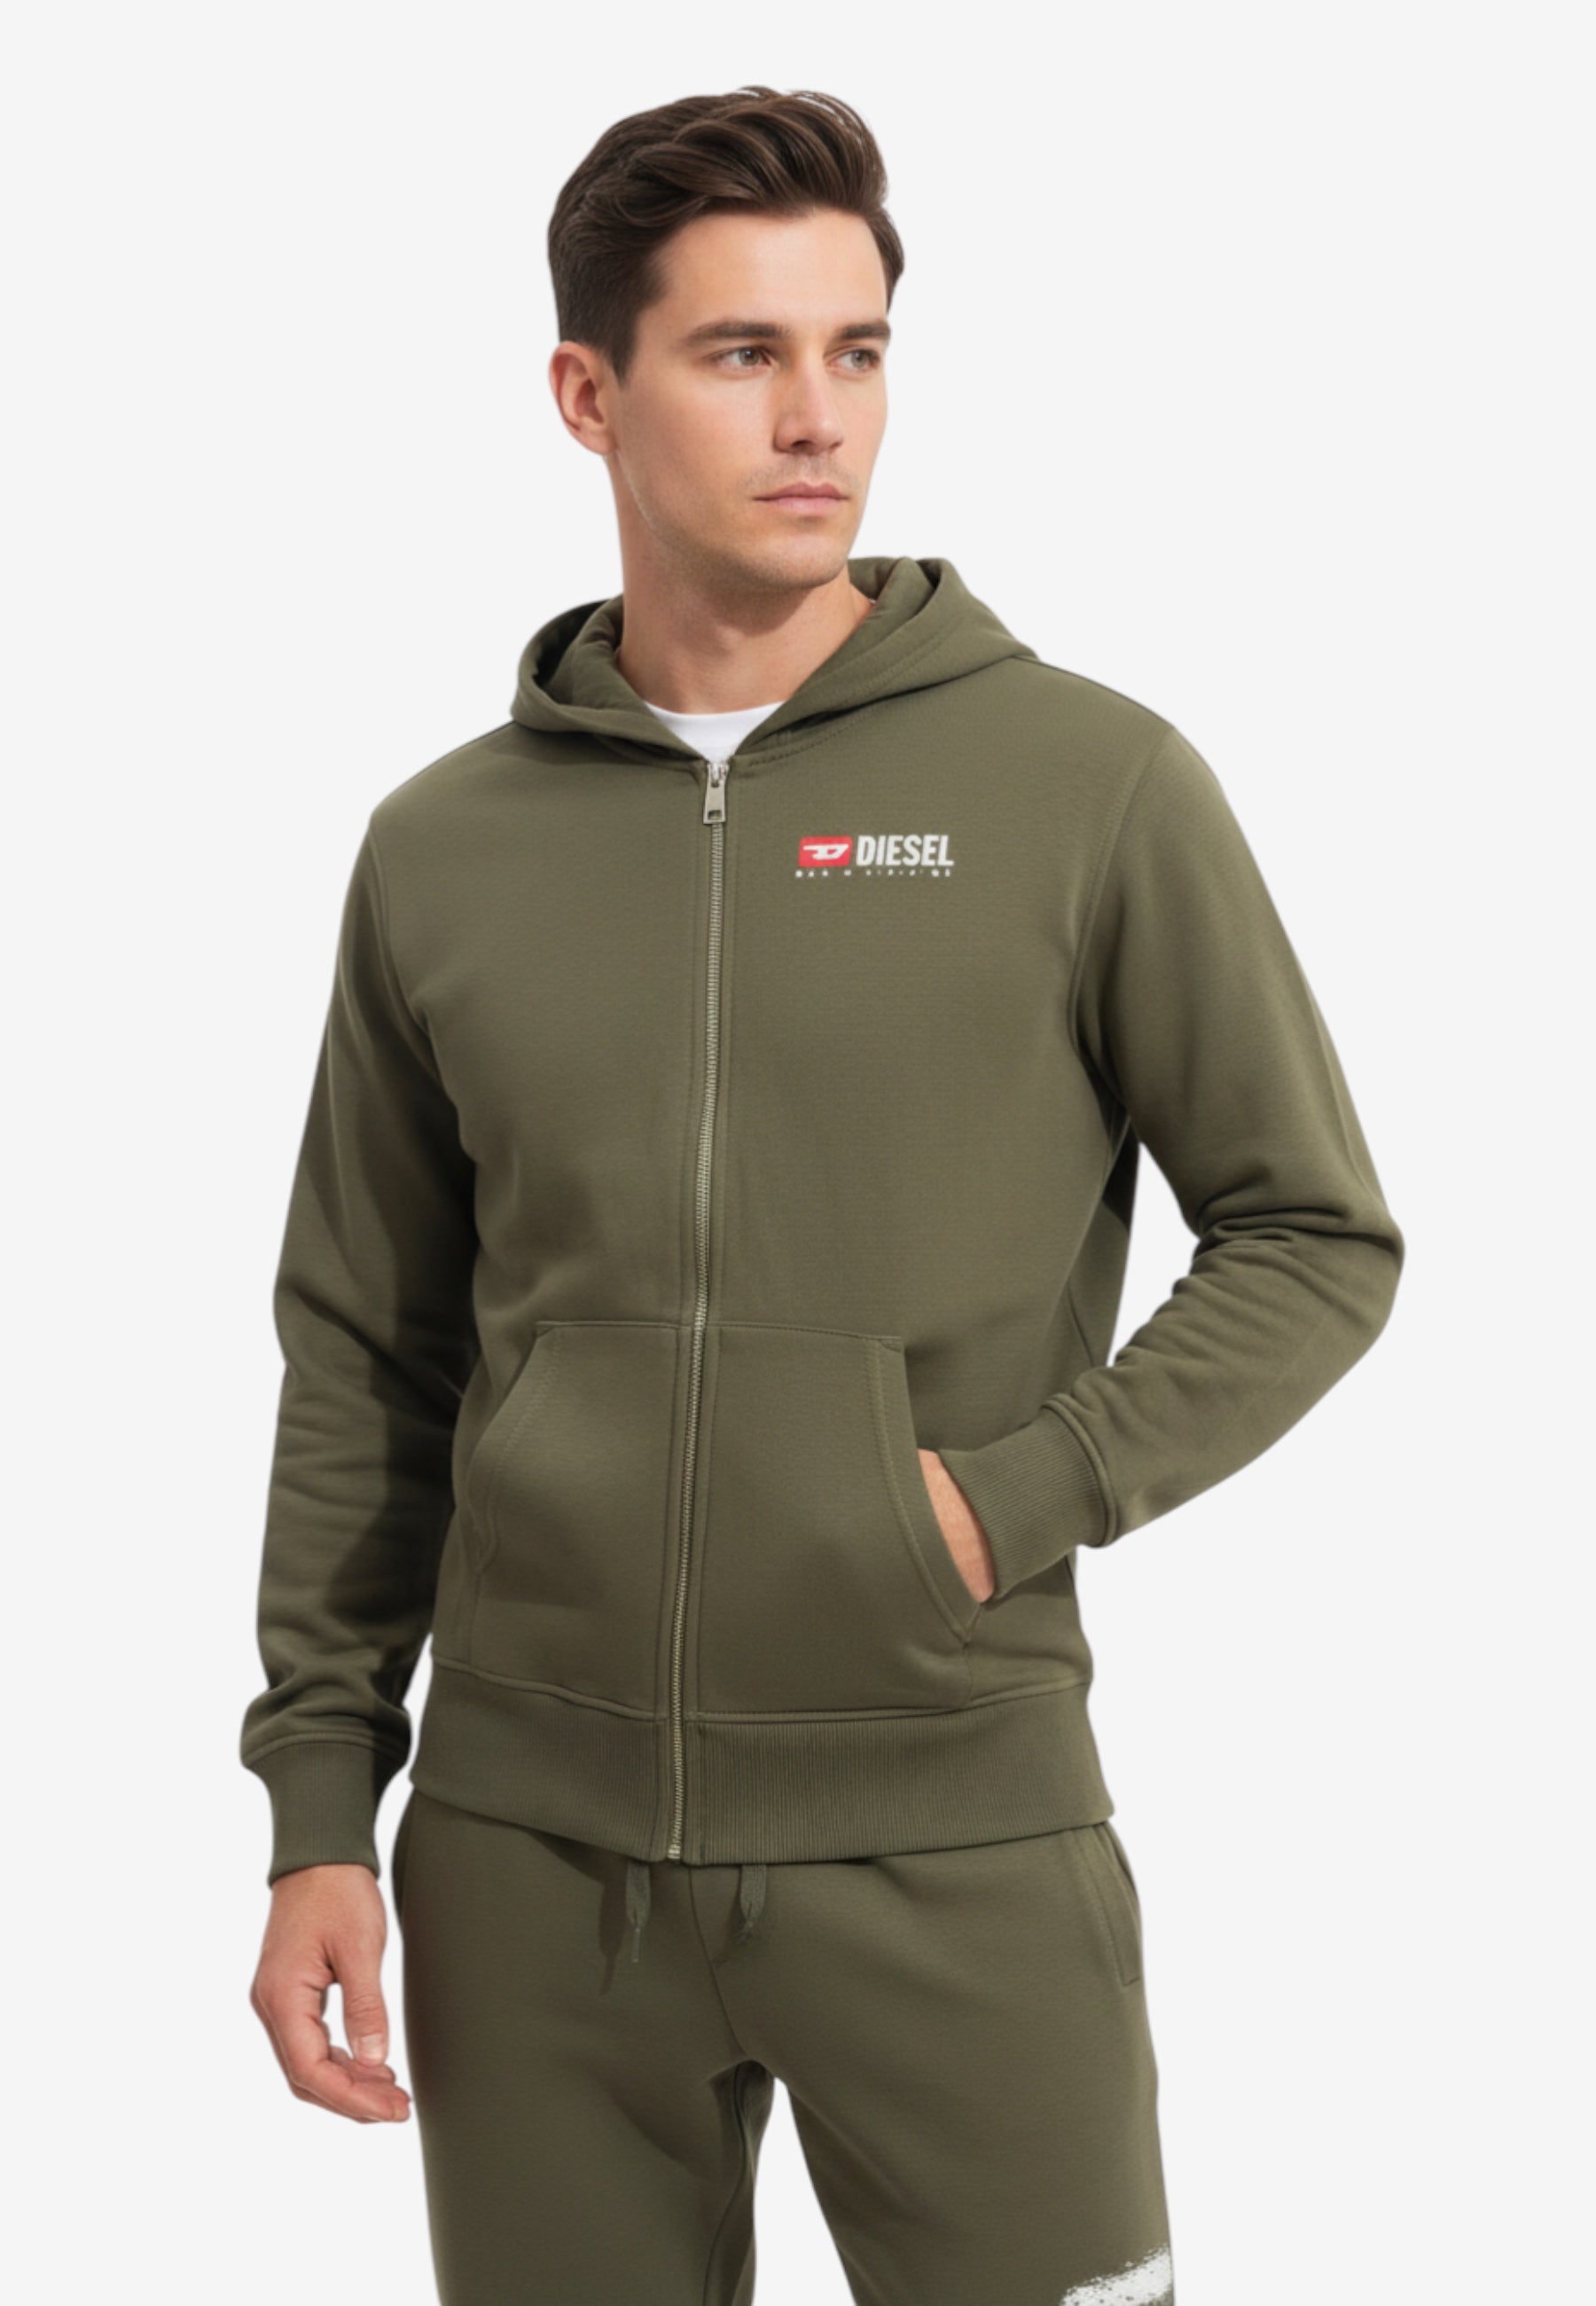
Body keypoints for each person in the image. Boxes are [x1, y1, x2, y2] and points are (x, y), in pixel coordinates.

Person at [241, 84, 1404, 2306]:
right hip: (527, 1869)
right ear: (588, 393)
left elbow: (1313, 1234)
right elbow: (369, 1346)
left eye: (857, 350)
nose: (818, 417)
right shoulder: (443, 847)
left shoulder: (1087, 786)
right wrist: (320, 1805)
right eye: (741, 352)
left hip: (955, 1833)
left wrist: (1003, 1501)